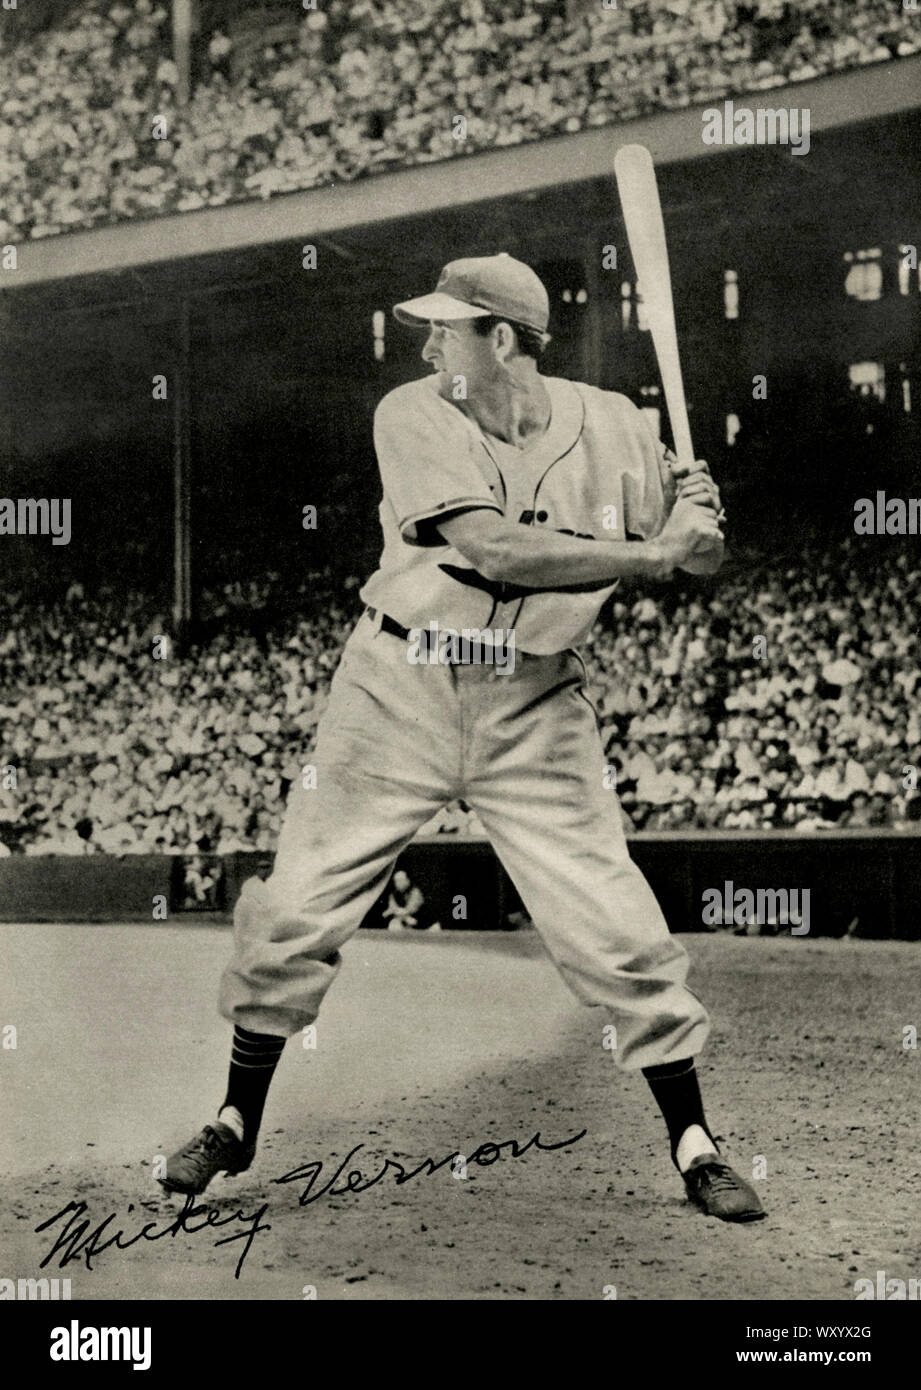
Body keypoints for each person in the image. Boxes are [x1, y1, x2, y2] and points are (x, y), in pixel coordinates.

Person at [160, 254, 763, 1222]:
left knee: (615, 921)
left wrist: (697, 516)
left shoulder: (618, 425)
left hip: (533, 699)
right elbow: (495, 548)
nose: (429, 341)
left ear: (506, 340)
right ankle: (234, 1119)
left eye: (449, 327)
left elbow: (705, 560)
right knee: (295, 908)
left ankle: (695, 1141)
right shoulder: (412, 411)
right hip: (398, 682)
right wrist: (654, 551)